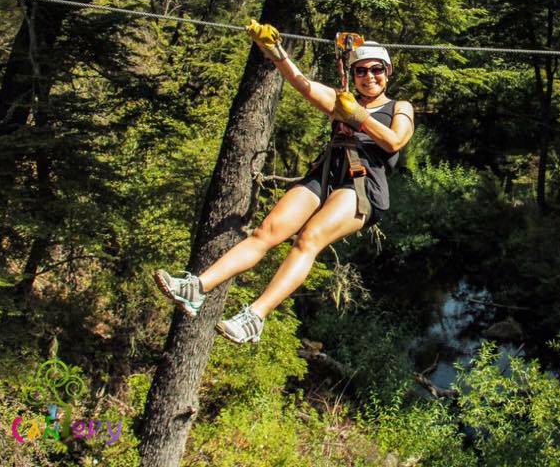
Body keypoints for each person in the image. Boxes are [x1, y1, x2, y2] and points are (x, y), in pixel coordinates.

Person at [153, 21, 415, 343]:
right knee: (267, 232)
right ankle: (196, 287)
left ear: (387, 73)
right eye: (361, 71)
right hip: (327, 175)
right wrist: (275, 51)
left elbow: (395, 141)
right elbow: (302, 85)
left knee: (309, 238)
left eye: (376, 70)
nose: (369, 76)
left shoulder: (399, 107)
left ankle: (256, 316)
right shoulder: (342, 99)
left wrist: (358, 117)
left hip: (363, 186)